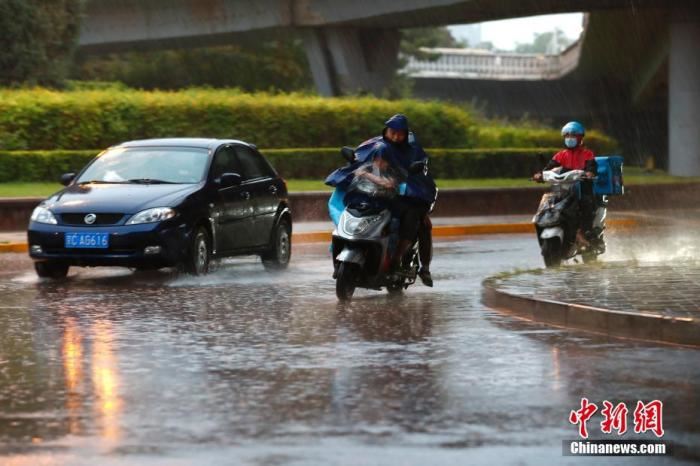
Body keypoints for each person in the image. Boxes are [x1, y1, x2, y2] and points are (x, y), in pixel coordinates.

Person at [533, 121, 597, 244]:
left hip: (581, 188)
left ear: (580, 137)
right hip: (562, 190)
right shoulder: (560, 155)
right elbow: (548, 168)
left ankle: (584, 232)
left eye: (573, 136)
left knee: (586, 203)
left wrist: (589, 173)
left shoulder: (587, 154)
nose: (569, 139)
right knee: (548, 203)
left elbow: (591, 167)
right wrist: (540, 175)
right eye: (567, 136)